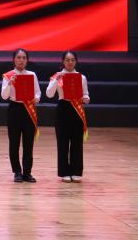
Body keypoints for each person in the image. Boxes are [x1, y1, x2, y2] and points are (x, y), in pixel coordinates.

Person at [46, 50, 90, 182]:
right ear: (63, 61)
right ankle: (64, 171)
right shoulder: (57, 76)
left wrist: (86, 98)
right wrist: (56, 79)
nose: (70, 62)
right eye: (67, 60)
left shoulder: (81, 77)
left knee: (77, 142)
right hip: (63, 109)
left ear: (76, 61)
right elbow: (49, 94)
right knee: (63, 142)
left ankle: (76, 171)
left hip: (76, 109)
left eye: (72, 60)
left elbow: (86, 94)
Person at [0, 47, 40, 182]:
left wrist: (36, 98)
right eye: (18, 57)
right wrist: (10, 83)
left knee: (28, 143)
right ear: (14, 60)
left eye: (24, 58)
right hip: (14, 109)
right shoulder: (8, 75)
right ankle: (17, 171)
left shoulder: (32, 74)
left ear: (27, 60)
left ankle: (27, 172)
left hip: (28, 108)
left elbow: (37, 92)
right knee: (14, 142)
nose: (21, 60)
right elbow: (4, 96)